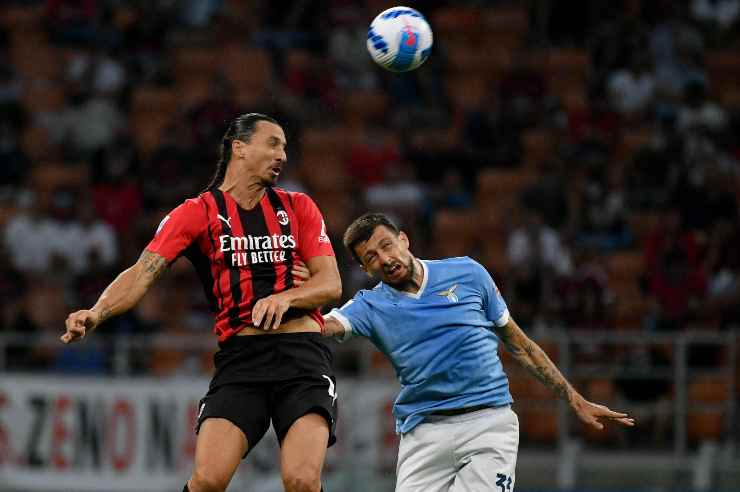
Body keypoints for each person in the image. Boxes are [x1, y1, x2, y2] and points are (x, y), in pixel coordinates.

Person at [61, 113, 342, 492]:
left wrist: (287, 297)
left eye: (286, 147)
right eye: (273, 143)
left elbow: (330, 284)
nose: (283, 155)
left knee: (302, 480)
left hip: (302, 357)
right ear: (238, 148)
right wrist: (97, 311)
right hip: (241, 361)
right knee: (208, 480)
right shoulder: (197, 213)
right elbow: (143, 271)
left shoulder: (298, 207)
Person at [318, 212, 633, 492]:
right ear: (365, 268)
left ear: (404, 239)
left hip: (488, 424)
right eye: (371, 257)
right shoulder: (369, 305)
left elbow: (521, 346)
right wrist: (282, 305)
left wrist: (574, 399)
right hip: (425, 431)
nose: (384, 259)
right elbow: (323, 326)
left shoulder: (468, 273)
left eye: (386, 245)